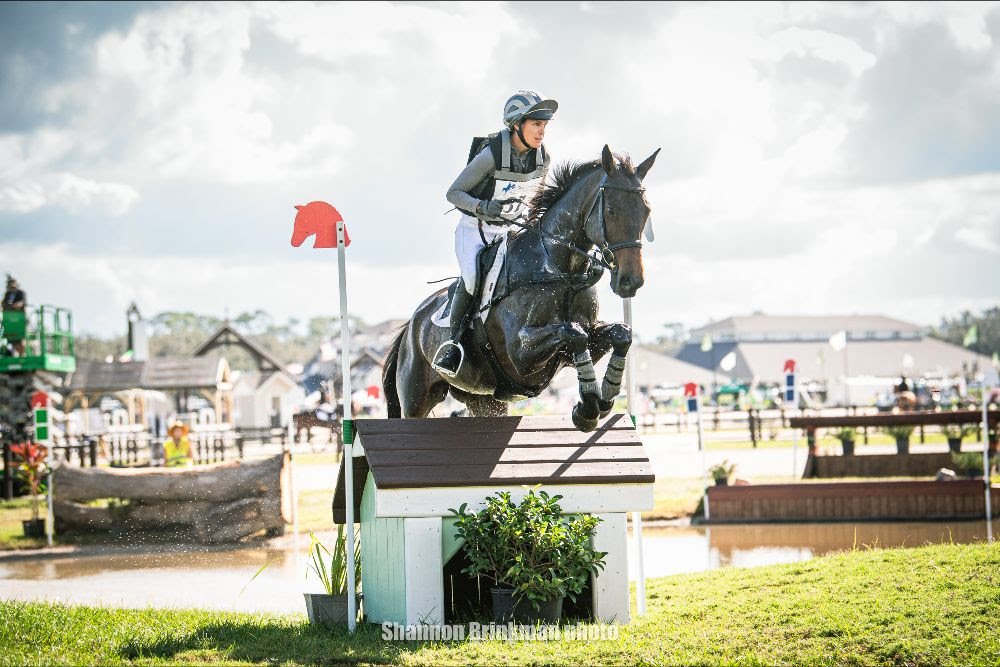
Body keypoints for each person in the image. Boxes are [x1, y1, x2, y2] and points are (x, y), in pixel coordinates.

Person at [433, 90, 558, 377]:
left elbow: (536, 198)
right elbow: (453, 193)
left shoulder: (543, 158)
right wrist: (481, 206)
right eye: (535, 124)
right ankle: (454, 343)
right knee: (473, 278)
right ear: (517, 124)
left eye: (544, 125)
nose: (541, 131)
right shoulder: (491, 155)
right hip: (475, 231)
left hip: (510, 233)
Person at [2, 274, 27, 356]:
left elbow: (21, 303)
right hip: (9, 319)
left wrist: (12, 306)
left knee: (20, 338)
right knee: (10, 338)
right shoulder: (7, 294)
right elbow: (4, 304)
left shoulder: (21, 293)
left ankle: (22, 355)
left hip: (19, 319)